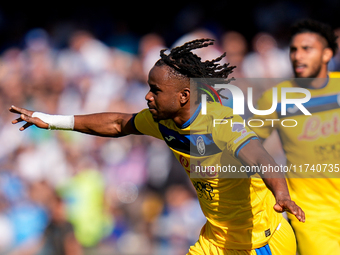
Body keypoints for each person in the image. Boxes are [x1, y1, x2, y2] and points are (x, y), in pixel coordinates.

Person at [10, 38, 305, 255]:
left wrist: (282, 194)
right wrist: (52, 120)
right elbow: (116, 123)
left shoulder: (220, 123)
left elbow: (260, 156)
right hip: (216, 242)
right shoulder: (163, 121)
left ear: (183, 96)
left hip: (262, 244)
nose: (148, 97)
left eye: (156, 90)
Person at [249, 19, 340, 255]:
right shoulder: (276, 98)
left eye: (307, 49)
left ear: (327, 53)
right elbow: (247, 144)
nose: (297, 56)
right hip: (313, 217)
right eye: (293, 49)